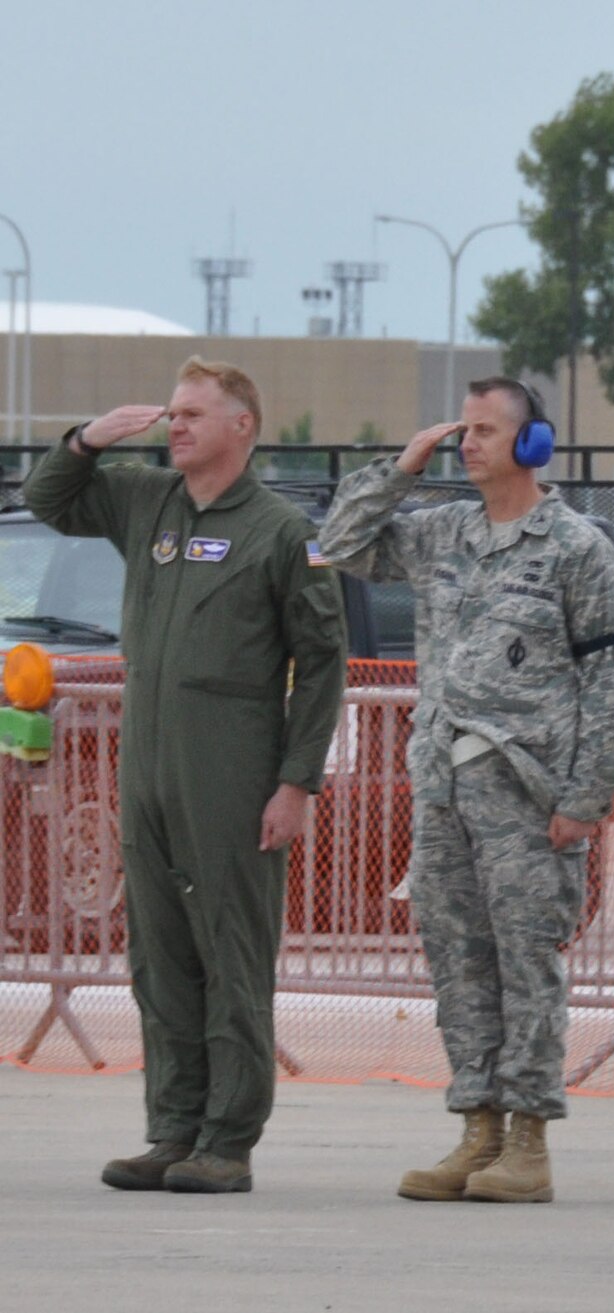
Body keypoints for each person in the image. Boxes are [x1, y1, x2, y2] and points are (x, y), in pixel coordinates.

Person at [25, 357, 348, 1194]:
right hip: (151, 760)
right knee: (160, 955)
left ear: (243, 425)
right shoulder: (148, 502)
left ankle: (227, 1139)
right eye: (172, 413)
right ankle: (171, 1127)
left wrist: (296, 780)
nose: (176, 426)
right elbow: (47, 499)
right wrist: (89, 439)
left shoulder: (281, 531)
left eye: (194, 414)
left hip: (232, 763)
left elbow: (321, 663)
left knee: (231, 953)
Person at [319, 377, 614, 1204]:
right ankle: (478, 1130)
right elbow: (343, 544)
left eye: (489, 430)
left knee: (525, 963)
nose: (471, 443)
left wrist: (586, 795)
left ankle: (529, 1142)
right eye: (465, 429)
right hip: (444, 789)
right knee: (458, 962)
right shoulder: (441, 533)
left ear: (534, 445)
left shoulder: (576, 547)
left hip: (526, 792)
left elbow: (609, 683)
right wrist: (401, 468)